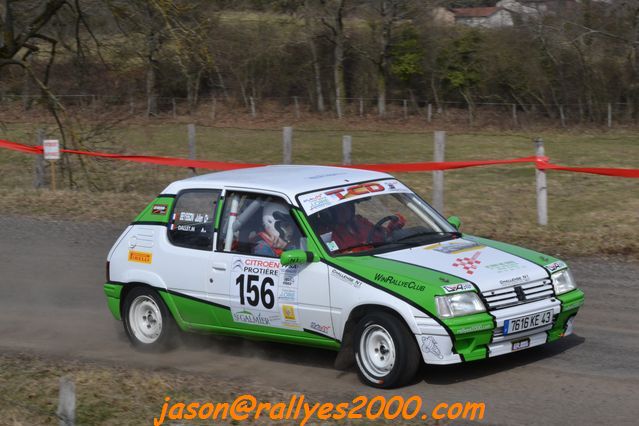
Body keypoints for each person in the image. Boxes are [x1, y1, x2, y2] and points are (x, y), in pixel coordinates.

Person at [328, 201, 405, 252]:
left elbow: (380, 235)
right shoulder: (329, 234)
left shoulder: (360, 221)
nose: (346, 211)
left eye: (348, 206)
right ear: (331, 213)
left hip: (382, 252)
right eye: (340, 209)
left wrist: (392, 227)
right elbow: (336, 257)